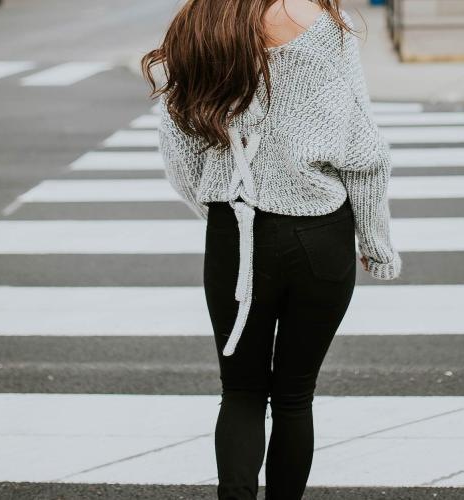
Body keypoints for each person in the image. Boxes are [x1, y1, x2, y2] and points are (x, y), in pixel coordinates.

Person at [140, 0, 401, 498]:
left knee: (240, 391)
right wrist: (375, 242)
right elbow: (364, 150)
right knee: (294, 395)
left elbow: (179, 150)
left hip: (234, 233)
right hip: (318, 234)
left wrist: (219, 208)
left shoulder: (201, 22)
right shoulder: (327, 29)